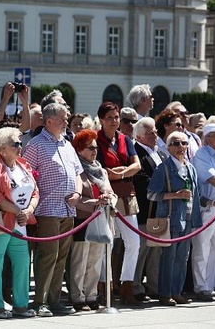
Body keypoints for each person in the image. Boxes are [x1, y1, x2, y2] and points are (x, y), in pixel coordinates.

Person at [22, 103, 83, 317]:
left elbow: (77, 173)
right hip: (47, 208)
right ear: (49, 121)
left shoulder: (67, 144)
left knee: (61, 256)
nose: (67, 121)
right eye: (63, 118)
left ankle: (54, 300)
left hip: (68, 209)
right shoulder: (36, 145)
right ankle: (39, 301)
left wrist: (78, 193)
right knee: (48, 255)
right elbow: (26, 177)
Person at [0, 127, 39, 318]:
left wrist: (29, 210)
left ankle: (21, 305)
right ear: (2, 147)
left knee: (23, 263)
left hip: (20, 223)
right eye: (15, 143)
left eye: (20, 143)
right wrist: (20, 212)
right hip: (0, 222)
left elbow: (35, 191)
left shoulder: (23, 164)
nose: (20, 147)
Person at [147, 131, 202, 306]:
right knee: (168, 256)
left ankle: (177, 292)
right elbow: (151, 194)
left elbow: (196, 195)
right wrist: (174, 195)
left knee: (183, 257)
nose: (181, 147)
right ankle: (165, 293)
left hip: (188, 218)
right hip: (171, 218)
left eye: (184, 144)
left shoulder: (191, 167)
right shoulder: (163, 168)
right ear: (169, 147)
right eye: (176, 144)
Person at [95, 101, 141, 305]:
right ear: (101, 120)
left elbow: (137, 165)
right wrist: (118, 172)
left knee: (134, 241)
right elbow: (99, 170)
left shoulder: (125, 139)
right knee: (109, 242)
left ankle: (127, 284)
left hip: (127, 193)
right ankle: (105, 285)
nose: (114, 122)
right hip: (107, 195)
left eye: (116, 117)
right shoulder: (95, 140)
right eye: (110, 118)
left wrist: (121, 172)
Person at [70, 129, 117, 311]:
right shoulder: (78, 171)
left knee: (95, 260)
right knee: (80, 261)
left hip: (102, 220)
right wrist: (96, 202)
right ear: (79, 150)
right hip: (83, 220)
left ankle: (91, 295)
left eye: (95, 148)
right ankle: (78, 297)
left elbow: (112, 194)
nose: (94, 151)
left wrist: (108, 200)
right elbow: (76, 200)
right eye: (90, 148)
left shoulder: (101, 170)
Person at [190, 123, 215, 302]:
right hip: (209, 209)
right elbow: (211, 177)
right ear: (208, 139)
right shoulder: (202, 154)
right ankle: (202, 287)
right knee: (202, 249)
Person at [131, 118, 166, 301]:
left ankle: (153, 286)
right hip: (145, 210)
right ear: (139, 136)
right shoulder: (137, 153)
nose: (154, 135)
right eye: (150, 133)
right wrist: (165, 188)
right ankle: (136, 287)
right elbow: (141, 179)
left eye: (155, 132)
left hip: (160, 210)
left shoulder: (159, 152)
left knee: (156, 251)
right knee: (142, 251)